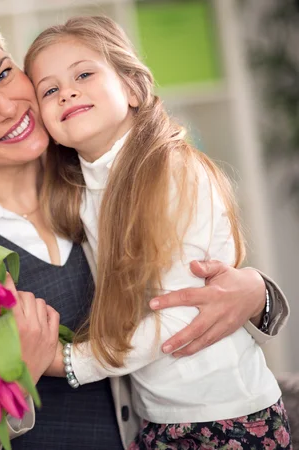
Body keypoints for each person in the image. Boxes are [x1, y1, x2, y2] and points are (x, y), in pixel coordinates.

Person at [0, 11, 290, 450]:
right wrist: (14, 377)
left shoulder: (98, 171)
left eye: (4, 75)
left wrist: (257, 294)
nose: (7, 107)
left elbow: (187, 274)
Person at [25, 15, 291, 448]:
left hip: (227, 414)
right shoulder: (83, 189)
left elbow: (178, 311)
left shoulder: (174, 171)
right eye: (49, 90)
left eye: (84, 74)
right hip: (158, 417)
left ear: (131, 88)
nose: (66, 92)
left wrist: (71, 362)